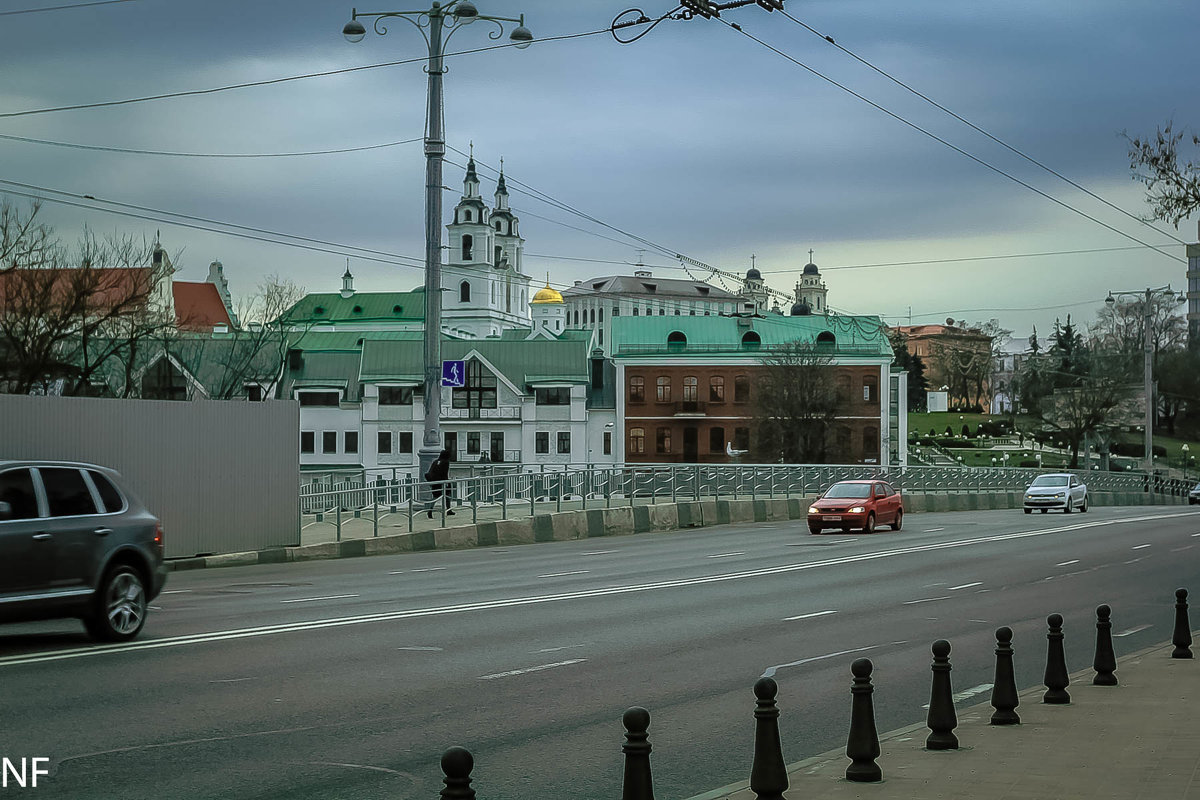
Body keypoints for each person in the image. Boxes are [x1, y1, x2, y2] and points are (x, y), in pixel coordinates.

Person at [425, 448, 454, 519]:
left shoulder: (435, 461)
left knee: (435, 496)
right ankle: (449, 509)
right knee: (448, 495)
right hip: (442, 481)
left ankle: (430, 510)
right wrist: (446, 482)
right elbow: (445, 473)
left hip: (434, 481)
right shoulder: (446, 462)